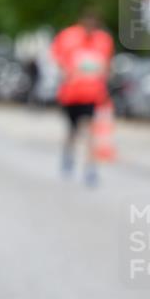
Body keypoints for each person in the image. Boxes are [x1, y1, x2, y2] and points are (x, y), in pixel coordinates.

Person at [50, 10, 114, 186]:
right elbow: (56, 57)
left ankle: (90, 168)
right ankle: (68, 157)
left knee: (89, 131)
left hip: (92, 95)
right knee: (72, 130)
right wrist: (65, 71)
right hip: (71, 95)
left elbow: (106, 65)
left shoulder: (103, 41)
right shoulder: (68, 37)